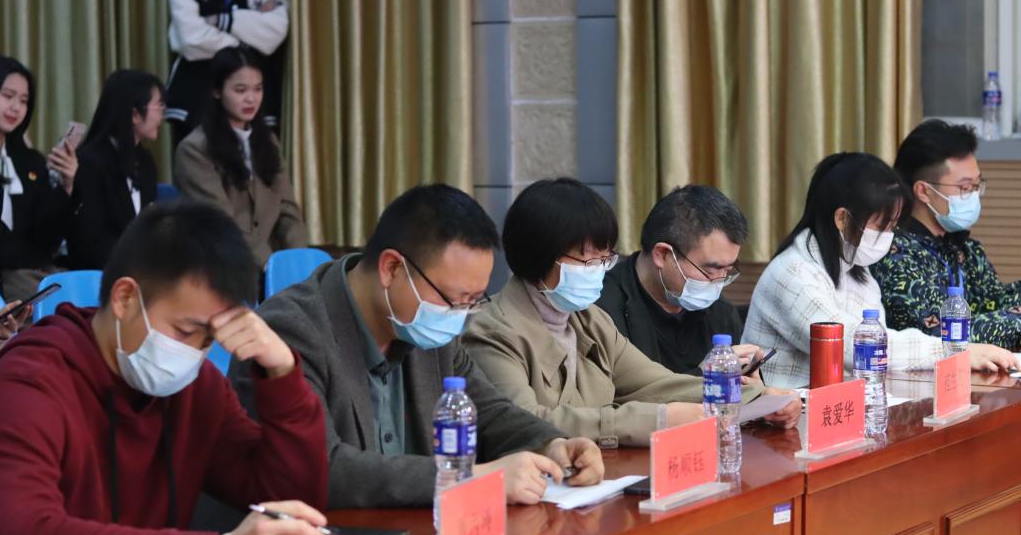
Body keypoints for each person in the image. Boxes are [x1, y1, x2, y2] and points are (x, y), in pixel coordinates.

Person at [0, 202, 329, 535]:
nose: (193, 353)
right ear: (124, 298)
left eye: (209, 340)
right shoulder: (29, 381)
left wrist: (282, 373)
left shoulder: (197, 386)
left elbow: (288, 502)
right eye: (184, 331)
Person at [229, 183, 605, 508]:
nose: (460, 315)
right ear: (392, 269)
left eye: (473, 301)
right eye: (455, 299)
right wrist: (468, 478)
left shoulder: (426, 326)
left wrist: (551, 444)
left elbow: (488, 411)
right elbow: (326, 468)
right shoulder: (290, 330)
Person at [463, 178, 799, 449]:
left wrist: (757, 398)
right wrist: (661, 420)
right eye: (587, 260)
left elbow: (655, 384)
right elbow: (527, 421)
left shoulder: (588, 320)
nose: (599, 269)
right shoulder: (492, 331)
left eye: (605, 258)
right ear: (540, 256)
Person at [742, 152, 1016, 389]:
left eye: (893, 226)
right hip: (781, 422)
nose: (889, 236)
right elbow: (853, 347)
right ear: (842, 218)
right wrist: (952, 351)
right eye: (882, 226)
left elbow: (878, 347)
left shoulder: (857, 272)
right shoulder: (792, 273)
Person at [872, 119, 1021, 349]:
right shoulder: (894, 255)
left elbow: (994, 302)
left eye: (977, 185)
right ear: (924, 191)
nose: (974, 196)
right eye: (965, 188)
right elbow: (940, 334)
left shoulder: (965, 248)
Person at [597, 184, 756, 377]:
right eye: (710, 271)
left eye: (728, 270)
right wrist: (704, 376)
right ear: (662, 254)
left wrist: (754, 387)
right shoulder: (601, 311)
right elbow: (618, 392)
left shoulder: (721, 313)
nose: (719, 282)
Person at [175, 47, 307, 268]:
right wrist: (272, 267)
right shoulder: (194, 149)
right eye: (240, 90)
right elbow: (223, 222)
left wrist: (299, 262)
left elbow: (288, 210)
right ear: (217, 91)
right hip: (220, 267)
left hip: (270, 266)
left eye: (258, 89)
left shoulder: (268, 141)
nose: (251, 99)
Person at [165, 0, 289, 144]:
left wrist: (220, 21)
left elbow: (275, 32)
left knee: (258, 159)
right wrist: (247, 40)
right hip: (197, 91)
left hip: (254, 92)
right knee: (198, 157)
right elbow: (190, 39)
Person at [0, 56, 78, 302]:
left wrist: (66, 186)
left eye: (23, 101)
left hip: (35, 273)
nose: (15, 107)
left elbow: (46, 240)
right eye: (8, 96)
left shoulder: (30, 161)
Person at [67, 70, 164, 270]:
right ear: (135, 114)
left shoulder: (145, 162)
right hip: (101, 273)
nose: (163, 114)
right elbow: (91, 241)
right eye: (159, 106)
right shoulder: (90, 162)